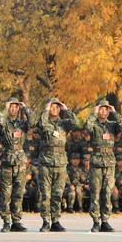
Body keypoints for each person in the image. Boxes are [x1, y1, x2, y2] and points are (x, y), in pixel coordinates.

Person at [34, 98, 79, 232]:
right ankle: (46, 221)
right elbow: (41, 123)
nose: (55, 109)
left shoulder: (64, 124)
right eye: (52, 107)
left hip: (60, 163)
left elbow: (75, 123)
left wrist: (66, 109)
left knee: (57, 194)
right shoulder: (44, 122)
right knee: (45, 194)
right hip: (46, 162)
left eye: (57, 107)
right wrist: (46, 108)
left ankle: (56, 220)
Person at [84, 99, 122, 232]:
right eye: (102, 109)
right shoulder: (94, 124)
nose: (104, 111)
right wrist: (94, 112)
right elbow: (87, 127)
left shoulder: (112, 125)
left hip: (109, 162)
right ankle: (96, 221)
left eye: (106, 109)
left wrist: (115, 112)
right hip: (96, 162)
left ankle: (105, 220)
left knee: (107, 192)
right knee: (95, 192)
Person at [0, 97, 34, 232]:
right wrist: (5, 108)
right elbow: (0, 120)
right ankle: (6, 221)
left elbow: (33, 121)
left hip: (20, 161)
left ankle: (16, 221)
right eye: (11, 106)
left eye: (15, 107)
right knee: (6, 193)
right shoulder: (4, 123)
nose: (13, 109)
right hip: (7, 160)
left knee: (19, 192)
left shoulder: (22, 124)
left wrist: (25, 108)